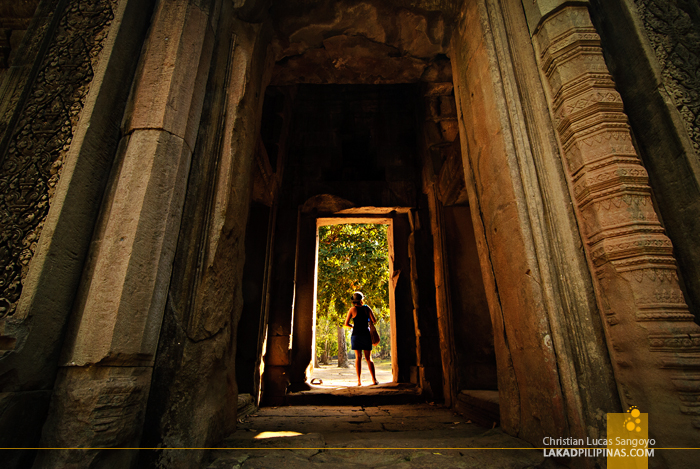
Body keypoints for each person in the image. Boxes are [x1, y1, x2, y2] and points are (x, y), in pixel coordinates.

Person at [344, 291, 379, 386]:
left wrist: (354, 326)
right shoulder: (367, 308)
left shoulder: (352, 310)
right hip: (366, 335)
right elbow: (374, 320)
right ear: (361, 300)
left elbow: (346, 323)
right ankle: (374, 380)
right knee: (369, 358)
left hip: (356, 335)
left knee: (358, 358)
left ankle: (359, 381)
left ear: (353, 301)